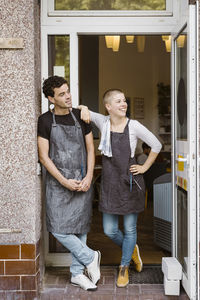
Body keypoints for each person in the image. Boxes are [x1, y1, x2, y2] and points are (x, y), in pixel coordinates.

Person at [78, 89, 162, 287]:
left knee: (130, 228)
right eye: (118, 101)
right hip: (110, 184)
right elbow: (83, 109)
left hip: (130, 183)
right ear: (108, 107)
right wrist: (82, 108)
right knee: (109, 230)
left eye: (124, 100)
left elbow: (157, 145)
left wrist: (144, 167)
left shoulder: (134, 126)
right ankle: (131, 249)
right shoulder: (103, 122)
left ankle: (124, 267)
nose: (124, 104)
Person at [37, 76, 101, 291]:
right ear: (50, 98)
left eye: (68, 91)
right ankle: (90, 257)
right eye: (62, 94)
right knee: (57, 228)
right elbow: (44, 157)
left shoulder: (81, 116)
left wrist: (89, 176)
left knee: (80, 227)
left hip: (83, 178)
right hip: (58, 183)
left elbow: (91, 149)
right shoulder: (45, 120)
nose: (68, 96)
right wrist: (64, 181)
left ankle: (76, 274)